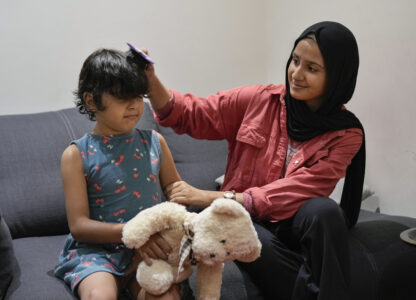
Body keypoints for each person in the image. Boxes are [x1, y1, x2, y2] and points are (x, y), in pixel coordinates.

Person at [144, 21, 365, 300]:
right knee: (247, 232)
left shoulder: (346, 133)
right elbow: (193, 114)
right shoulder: (259, 100)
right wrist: (151, 84)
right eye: (295, 61)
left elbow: (304, 188)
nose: (296, 73)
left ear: (337, 77)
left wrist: (211, 197)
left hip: (293, 220)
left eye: (312, 68)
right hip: (247, 218)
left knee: (325, 212)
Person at [54, 48, 194, 300]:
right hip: (97, 254)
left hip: (149, 251)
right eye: (122, 97)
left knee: (165, 296)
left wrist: (181, 227)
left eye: (138, 96)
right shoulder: (76, 155)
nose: (134, 105)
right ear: (91, 101)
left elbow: (176, 192)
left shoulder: (155, 141)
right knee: (100, 296)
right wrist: (136, 232)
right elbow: (79, 226)